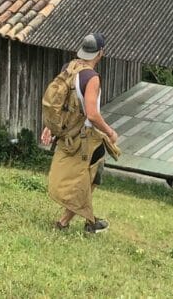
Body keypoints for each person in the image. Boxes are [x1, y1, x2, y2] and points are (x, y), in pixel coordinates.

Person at [42, 33, 119, 234]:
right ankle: (67, 222)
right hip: (86, 137)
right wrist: (110, 131)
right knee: (91, 177)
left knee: (89, 177)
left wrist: (51, 126)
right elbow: (92, 114)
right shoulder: (91, 78)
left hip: (69, 133)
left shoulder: (69, 69)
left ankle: (89, 221)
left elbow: (60, 103)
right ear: (101, 52)